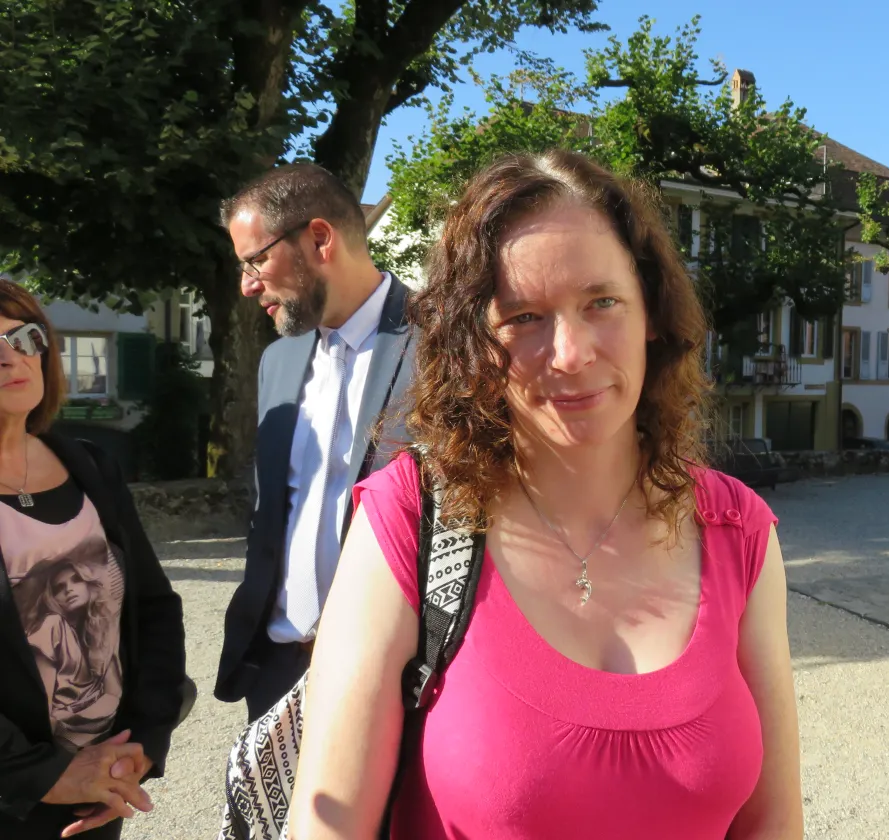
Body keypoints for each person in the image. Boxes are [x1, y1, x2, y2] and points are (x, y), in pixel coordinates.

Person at [286, 150, 803, 839]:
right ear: (475, 340)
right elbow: (328, 827)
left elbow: (774, 822)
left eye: (602, 302)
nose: (571, 353)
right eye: (525, 316)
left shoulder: (738, 530)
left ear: (651, 310)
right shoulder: (411, 519)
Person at [214, 164, 418, 720]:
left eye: (255, 260)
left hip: (396, 678)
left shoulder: (445, 345)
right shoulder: (277, 361)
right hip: (277, 672)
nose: (246, 285)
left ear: (320, 238)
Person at [0, 280, 188, 839]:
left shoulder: (91, 467)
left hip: (101, 783)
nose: (11, 357)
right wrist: (42, 776)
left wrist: (143, 743)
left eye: (24, 337)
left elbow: (154, 608)